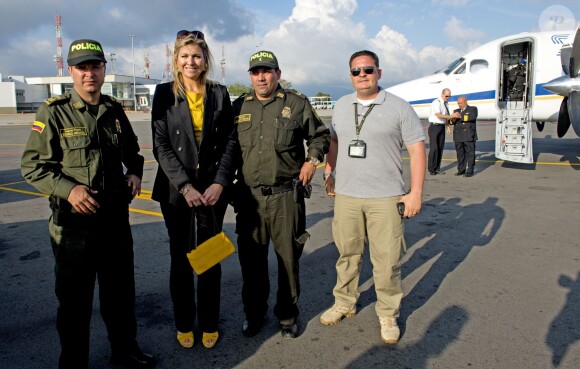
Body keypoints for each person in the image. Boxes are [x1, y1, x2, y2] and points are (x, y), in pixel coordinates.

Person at [20, 39, 155, 369]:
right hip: (74, 229)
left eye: (95, 66)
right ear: (71, 72)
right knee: (74, 302)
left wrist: (135, 173)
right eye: (82, 67)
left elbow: (133, 153)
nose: (89, 73)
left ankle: (124, 351)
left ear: (104, 70)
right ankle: (74, 361)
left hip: (114, 224)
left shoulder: (113, 110)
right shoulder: (53, 112)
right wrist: (69, 190)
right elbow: (33, 166)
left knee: (120, 295)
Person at [320, 50, 426, 344]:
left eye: (368, 69)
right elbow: (335, 141)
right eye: (356, 71)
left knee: (387, 260)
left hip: (386, 198)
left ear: (379, 72)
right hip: (347, 196)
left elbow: (417, 151)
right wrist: (330, 171)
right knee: (347, 254)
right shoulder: (342, 106)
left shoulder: (399, 107)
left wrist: (415, 192)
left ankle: (388, 313)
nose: (362, 75)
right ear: (350, 75)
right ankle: (344, 302)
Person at [231, 50, 330, 339]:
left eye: (267, 71)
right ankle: (254, 314)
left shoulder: (296, 104)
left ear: (278, 73)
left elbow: (320, 135)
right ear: (250, 76)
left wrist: (312, 160)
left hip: (286, 196)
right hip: (249, 199)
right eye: (255, 72)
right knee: (251, 263)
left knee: (288, 259)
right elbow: (229, 151)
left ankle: (287, 317)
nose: (261, 76)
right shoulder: (239, 106)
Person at [151, 30, 236, 350]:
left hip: (213, 192)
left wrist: (220, 182)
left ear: (205, 60)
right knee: (182, 259)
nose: (191, 62)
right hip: (176, 192)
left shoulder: (219, 92)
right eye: (185, 56)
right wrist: (185, 186)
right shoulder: (163, 94)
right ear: (176, 59)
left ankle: (210, 322)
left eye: (197, 56)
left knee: (210, 258)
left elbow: (230, 141)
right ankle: (184, 322)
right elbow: (160, 144)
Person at [447, 96, 478, 177]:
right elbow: (450, 122)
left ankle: (470, 171)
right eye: (458, 103)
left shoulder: (473, 109)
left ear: (465, 102)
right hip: (458, 136)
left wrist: (459, 116)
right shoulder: (456, 111)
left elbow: (472, 117)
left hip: (468, 135)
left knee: (470, 154)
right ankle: (461, 170)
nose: (459, 105)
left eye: (460, 103)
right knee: (460, 154)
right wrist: (452, 117)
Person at [428, 88, 454, 175]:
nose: (448, 98)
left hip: (441, 126)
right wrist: (450, 117)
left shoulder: (446, 103)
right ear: (442, 94)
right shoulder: (436, 102)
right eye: (446, 96)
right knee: (434, 148)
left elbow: (445, 115)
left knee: (440, 148)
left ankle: (437, 168)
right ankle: (431, 169)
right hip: (434, 127)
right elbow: (439, 115)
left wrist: (447, 126)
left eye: (449, 96)